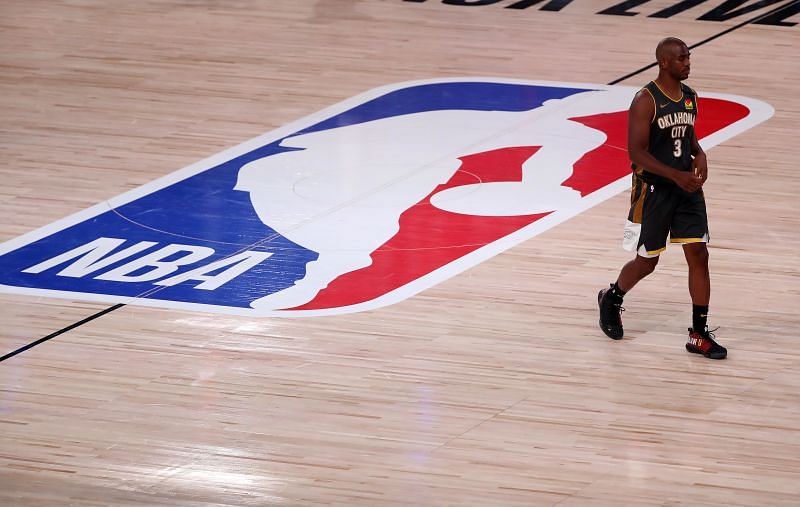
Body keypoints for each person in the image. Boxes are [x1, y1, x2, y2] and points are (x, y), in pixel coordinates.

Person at [597, 37, 727, 359]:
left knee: (699, 254)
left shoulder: (690, 97)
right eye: (682, 59)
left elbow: (687, 138)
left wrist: (700, 156)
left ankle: (698, 333)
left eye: (689, 57)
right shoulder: (646, 100)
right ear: (664, 63)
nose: (688, 63)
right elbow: (636, 152)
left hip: (686, 190)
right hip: (654, 190)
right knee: (647, 261)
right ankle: (612, 297)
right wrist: (675, 175)